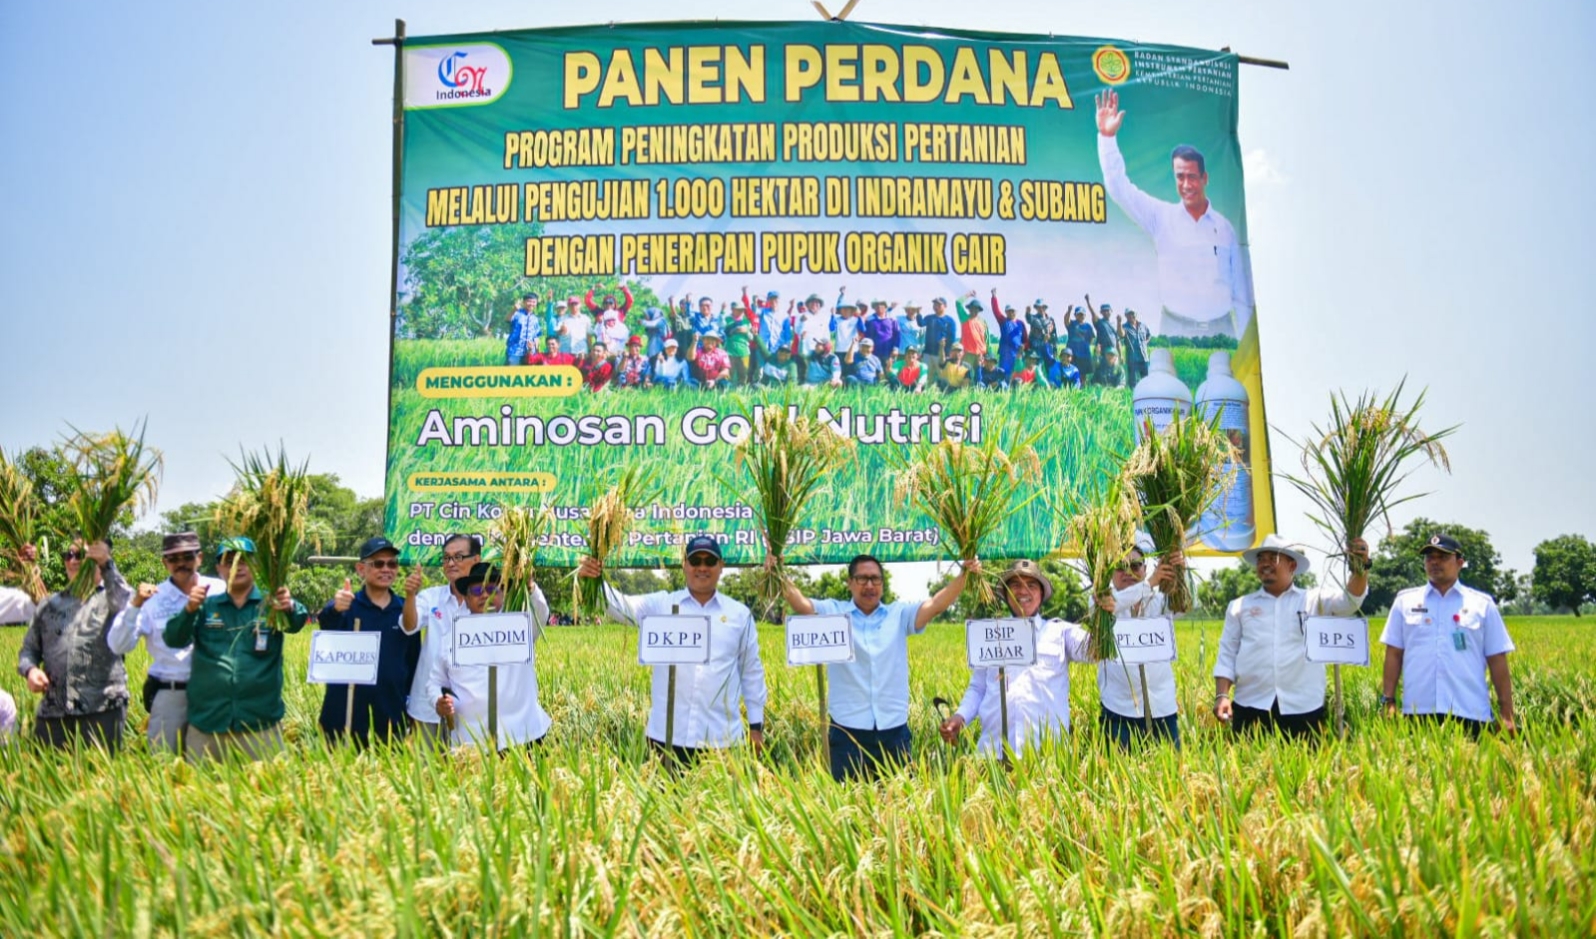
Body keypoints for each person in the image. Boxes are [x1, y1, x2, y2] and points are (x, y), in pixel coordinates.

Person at [776, 553, 975, 781]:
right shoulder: (834, 613)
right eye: (862, 579)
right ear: (849, 582)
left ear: (882, 583)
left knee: (899, 806)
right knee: (848, 802)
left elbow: (936, 604)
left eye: (875, 579)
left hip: (893, 730)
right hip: (847, 730)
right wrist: (778, 571)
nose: (869, 585)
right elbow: (802, 604)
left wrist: (964, 574)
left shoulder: (898, 615)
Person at [577, 535, 766, 767]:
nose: (702, 567)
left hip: (722, 740)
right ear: (684, 565)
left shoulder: (740, 615)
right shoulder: (662, 606)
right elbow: (620, 605)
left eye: (710, 561)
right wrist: (592, 580)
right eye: (696, 560)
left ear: (721, 566)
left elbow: (751, 674)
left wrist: (756, 728)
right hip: (666, 739)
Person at [1096, 88, 1255, 338]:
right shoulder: (1162, 218)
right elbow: (1119, 188)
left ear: (1204, 178)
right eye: (1180, 177)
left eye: (1192, 177)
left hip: (1222, 330)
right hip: (1175, 330)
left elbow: (1242, 295)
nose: (1186, 184)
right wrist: (1107, 137)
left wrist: (1247, 345)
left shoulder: (1224, 229)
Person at [940, 560, 1105, 758]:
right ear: (1007, 595)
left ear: (1042, 594)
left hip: (1047, 756)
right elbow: (978, 688)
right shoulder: (991, 634)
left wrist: (1101, 610)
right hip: (993, 755)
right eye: (1016, 585)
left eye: (1031, 585)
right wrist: (960, 717)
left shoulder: (1060, 632)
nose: (1023, 591)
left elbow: (1097, 651)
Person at [165, 537, 308, 762]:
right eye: (229, 561)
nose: (237, 566)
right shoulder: (205, 606)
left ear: (256, 565)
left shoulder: (273, 606)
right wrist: (189, 609)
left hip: (260, 726)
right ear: (219, 568)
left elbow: (297, 622)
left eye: (244, 560)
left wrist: (290, 607)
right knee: (200, 793)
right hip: (208, 725)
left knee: (266, 793)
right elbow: (174, 639)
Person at [1213, 534, 1369, 737]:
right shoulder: (1240, 606)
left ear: (1292, 566)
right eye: (1261, 559)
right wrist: (1222, 695)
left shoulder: (1314, 600)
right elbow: (1227, 653)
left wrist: (1361, 566)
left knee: (1304, 767)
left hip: (1303, 706)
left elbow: (1350, 601)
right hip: (1251, 704)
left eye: (1273, 558)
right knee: (1247, 765)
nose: (1265, 564)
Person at [1380, 534, 1517, 736]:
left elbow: (1497, 659)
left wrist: (1507, 713)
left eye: (1443, 557)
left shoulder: (1482, 604)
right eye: (1429, 557)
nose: (1434, 562)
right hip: (1418, 713)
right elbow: (1393, 654)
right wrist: (1388, 700)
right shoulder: (1405, 602)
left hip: (1470, 711)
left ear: (1460, 563)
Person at [106, 531, 225, 753]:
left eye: (187, 557)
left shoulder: (220, 590)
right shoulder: (153, 600)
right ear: (164, 562)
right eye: (173, 559)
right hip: (172, 694)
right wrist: (135, 605)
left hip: (214, 696)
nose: (181, 564)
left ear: (199, 557)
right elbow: (118, 645)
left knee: (213, 767)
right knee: (164, 764)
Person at [17, 539, 131, 752]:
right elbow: (29, 650)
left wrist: (107, 563)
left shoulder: (112, 599)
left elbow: (127, 605)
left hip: (102, 710)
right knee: (48, 781)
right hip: (54, 712)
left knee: (100, 780)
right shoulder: (50, 605)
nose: (73, 560)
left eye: (80, 555)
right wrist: (31, 670)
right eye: (68, 555)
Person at [429, 562, 553, 750]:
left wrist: (529, 584)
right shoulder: (451, 637)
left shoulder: (520, 625)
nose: (485, 595)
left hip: (524, 735)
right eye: (478, 590)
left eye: (492, 589)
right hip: (471, 743)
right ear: (467, 597)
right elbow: (435, 682)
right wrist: (438, 701)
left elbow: (540, 611)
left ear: (503, 594)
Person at [317, 537, 423, 747]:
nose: (386, 569)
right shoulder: (346, 606)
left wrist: (412, 708)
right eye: (378, 563)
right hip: (345, 717)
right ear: (360, 569)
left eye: (392, 564)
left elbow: (413, 661)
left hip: (391, 718)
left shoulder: (405, 610)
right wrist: (335, 609)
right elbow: (326, 624)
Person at [1099, 539, 1183, 748]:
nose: (1128, 571)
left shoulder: (1160, 601)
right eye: (1120, 566)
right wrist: (1149, 583)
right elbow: (1115, 604)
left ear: (1145, 569)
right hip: (1117, 709)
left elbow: (1186, 603)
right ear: (1110, 573)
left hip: (1161, 708)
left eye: (1135, 565)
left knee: (1169, 776)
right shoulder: (1102, 601)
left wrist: (1181, 570)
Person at [404, 533, 480, 744]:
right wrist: (410, 595)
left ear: (476, 560)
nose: (451, 563)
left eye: (458, 557)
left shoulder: (485, 601)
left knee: (464, 770)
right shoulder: (430, 597)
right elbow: (410, 626)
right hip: (427, 707)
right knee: (426, 773)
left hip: (471, 710)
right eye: (446, 558)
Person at [922, 297, 958, 371]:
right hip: (928, 353)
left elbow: (952, 339)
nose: (936, 306)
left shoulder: (950, 321)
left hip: (941, 354)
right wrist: (918, 313)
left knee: (942, 377)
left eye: (939, 304)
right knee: (927, 378)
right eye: (935, 304)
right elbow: (921, 323)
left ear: (945, 306)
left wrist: (947, 353)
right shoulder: (929, 318)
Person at [1118, 309, 1152, 386]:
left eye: (1132, 314)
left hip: (1144, 358)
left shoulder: (1143, 325)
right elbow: (1121, 334)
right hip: (1132, 359)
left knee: (1146, 380)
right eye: (1129, 314)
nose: (1131, 316)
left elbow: (1149, 335)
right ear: (1125, 316)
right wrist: (1119, 322)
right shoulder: (1124, 327)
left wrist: (1146, 342)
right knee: (1132, 383)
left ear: (1136, 314)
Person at [724, 300, 755, 385]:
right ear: (732, 309)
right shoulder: (727, 319)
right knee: (730, 372)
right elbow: (723, 333)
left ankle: (741, 389)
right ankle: (729, 388)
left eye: (742, 310)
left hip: (744, 351)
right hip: (730, 351)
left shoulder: (746, 321)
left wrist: (746, 332)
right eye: (738, 309)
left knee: (743, 373)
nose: (741, 311)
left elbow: (751, 338)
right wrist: (734, 330)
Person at [862, 299, 901, 363]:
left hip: (889, 352)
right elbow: (867, 336)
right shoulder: (869, 320)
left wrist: (896, 349)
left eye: (882, 305)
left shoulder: (892, 318)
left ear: (885, 307)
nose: (879, 307)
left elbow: (897, 334)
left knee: (888, 371)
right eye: (876, 305)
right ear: (874, 307)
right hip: (874, 352)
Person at [506, 293, 538, 365]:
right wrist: (513, 310)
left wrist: (536, 350)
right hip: (515, 351)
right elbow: (508, 319)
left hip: (530, 352)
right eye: (529, 301)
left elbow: (536, 336)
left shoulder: (535, 318)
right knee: (512, 373)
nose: (531, 304)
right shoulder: (517, 313)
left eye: (534, 302)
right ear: (524, 302)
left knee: (527, 374)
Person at [996, 302, 1027, 376]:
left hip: (1017, 353)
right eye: (1009, 311)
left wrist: (1024, 346)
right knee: (1004, 374)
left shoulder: (1020, 323)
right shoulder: (1003, 321)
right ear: (1006, 312)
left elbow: (1025, 339)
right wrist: (994, 297)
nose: (1011, 313)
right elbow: (996, 311)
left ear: (1016, 312)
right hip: (1005, 354)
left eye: (1013, 311)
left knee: (1017, 373)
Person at [956, 292, 989, 359]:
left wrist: (987, 352)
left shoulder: (983, 322)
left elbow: (987, 338)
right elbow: (958, 302)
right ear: (969, 309)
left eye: (976, 308)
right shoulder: (964, 318)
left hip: (980, 354)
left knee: (979, 370)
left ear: (979, 310)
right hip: (967, 354)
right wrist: (969, 294)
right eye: (972, 308)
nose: (974, 310)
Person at [1067, 307, 1095, 378]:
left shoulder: (1088, 326)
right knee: (1071, 372)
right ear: (1075, 315)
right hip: (1073, 354)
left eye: (1082, 314)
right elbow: (1066, 321)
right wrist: (1069, 311)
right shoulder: (1072, 324)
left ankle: (1082, 388)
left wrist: (1085, 345)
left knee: (1083, 374)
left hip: (1084, 354)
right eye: (1079, 314)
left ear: (1085, 315)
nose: (1081, 316)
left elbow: (1092, 338)